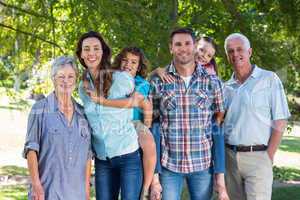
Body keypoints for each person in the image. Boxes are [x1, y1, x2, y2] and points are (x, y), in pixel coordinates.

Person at [150, 27, 225, 200]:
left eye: (187, 43)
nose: (183, 48)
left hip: (202, 164)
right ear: (171, 48)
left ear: (193, 45)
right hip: (169, 165)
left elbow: (218, 119)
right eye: (178, 44)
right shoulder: (159, 81)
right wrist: (155, 176)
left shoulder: (212, 82)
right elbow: (153, 122)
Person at [76, 31, 153, 200]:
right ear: (81, 54)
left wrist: (145, 125)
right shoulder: (83, 88)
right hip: (102, 160)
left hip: (128, 156)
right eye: (86, 49)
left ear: (103, 52)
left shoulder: (122, 79)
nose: (91, 53)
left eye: (96, 48)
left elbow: (139, 101)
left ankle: (150, 186)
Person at [223, 33, 291, 200]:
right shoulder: (225, 87)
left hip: (258, 157)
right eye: (230, 51)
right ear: (227, 56)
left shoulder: (269, 79)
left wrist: (268, 156)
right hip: (229, 158)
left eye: (240, 49)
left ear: (250, 52)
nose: (235, 54)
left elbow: (280, 120)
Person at [23, 56, 92, 200]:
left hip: (77, 195)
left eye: (70, 76)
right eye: (61, 76)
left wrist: (86, 193)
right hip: (47, 193)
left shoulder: (83, 114)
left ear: (76, 79)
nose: (66, 81)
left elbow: (87, 157)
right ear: (53, 78)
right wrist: (36, 185)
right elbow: (31, 150)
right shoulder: (39, 109)